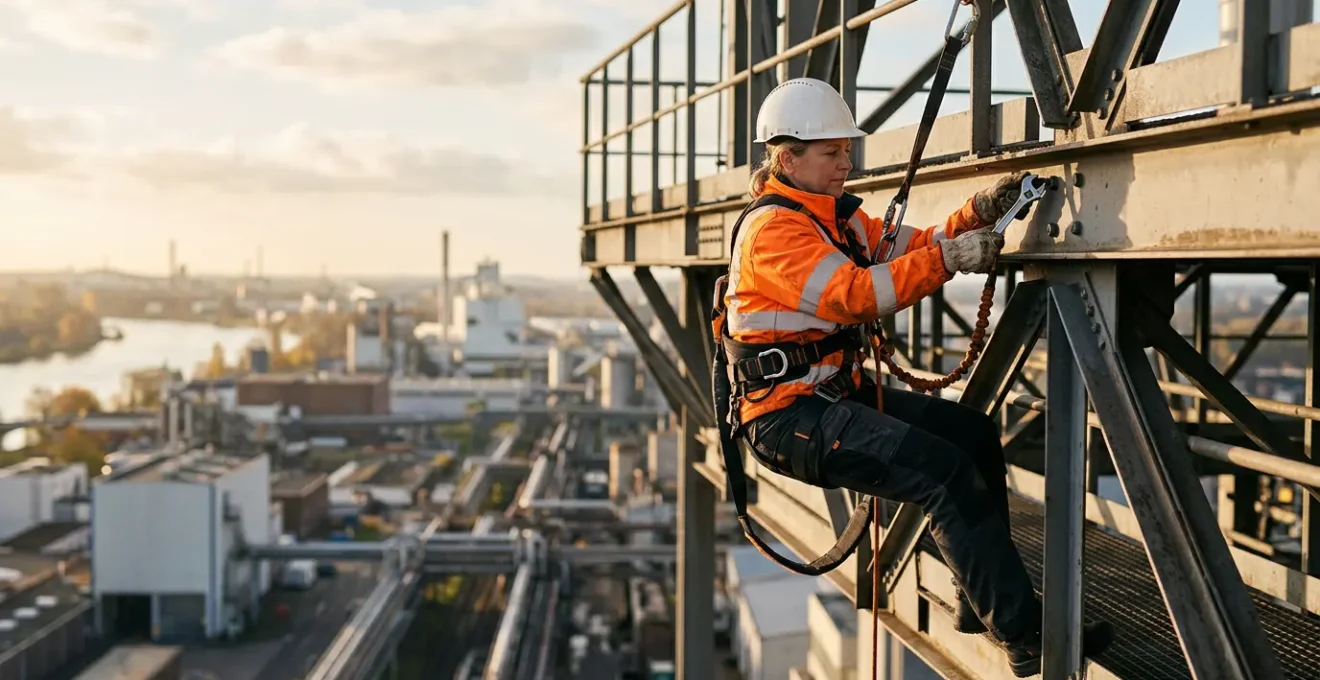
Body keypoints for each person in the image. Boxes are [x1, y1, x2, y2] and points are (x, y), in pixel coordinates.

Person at [721, 77, 1113, 677]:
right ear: (786, 156)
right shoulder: (775, 233)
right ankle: (1023, 632)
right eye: (832, 153)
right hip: (787, 418)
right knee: (943, 473)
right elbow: (854, 295)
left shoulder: (837, 219)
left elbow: (919, 244)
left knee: (972, 435)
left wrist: (979, 213)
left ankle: (975, 598)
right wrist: (948, 262)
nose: (845, 164)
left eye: (847, 150)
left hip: (829, 397)